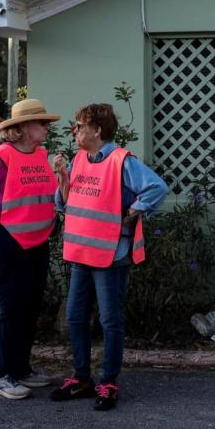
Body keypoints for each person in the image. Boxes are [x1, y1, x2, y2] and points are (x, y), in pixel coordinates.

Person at [49, 103, 167, 410]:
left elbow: (157, 187)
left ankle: (109, 382)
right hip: (81, 252)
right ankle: (81, 378)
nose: (74, 131)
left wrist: (134, 211)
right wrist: (61, 176)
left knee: (109, 320)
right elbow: (65, 204)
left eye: (79, 125)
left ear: (97, 129)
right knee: (75, 317)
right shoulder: (78, 159)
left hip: (112, 254)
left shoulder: (121, 160)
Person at [0, 98, 60, 400]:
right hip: (1, 236)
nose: (47, 127)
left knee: (31, 303)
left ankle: (21, 369)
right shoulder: (0, 159)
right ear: (22, 128)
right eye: (41, 122)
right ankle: (3, 375)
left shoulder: (41, 155)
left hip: (34, 239)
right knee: (12, 304)